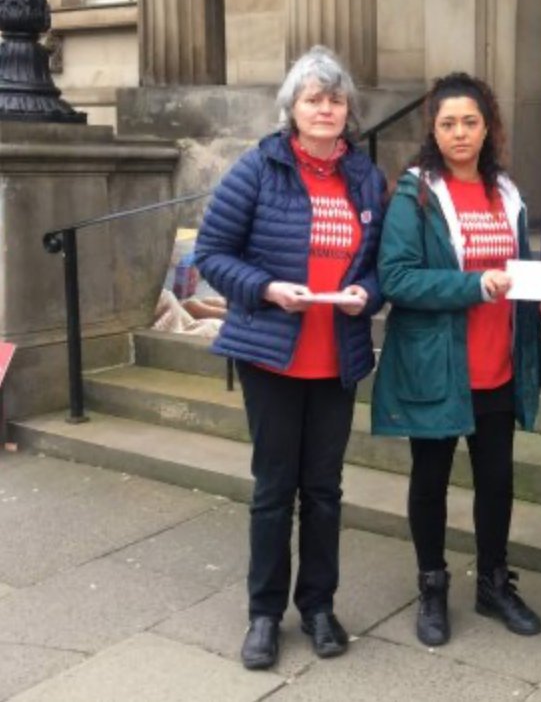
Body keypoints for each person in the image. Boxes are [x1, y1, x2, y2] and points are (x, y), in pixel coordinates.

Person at [194, 46, 386, 670]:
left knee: (325, 490)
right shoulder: (259, 169)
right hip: (273, 355)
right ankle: (264, 615)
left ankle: (320, 607)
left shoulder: (364, 177)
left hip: (338, 355)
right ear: (292, 108)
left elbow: (383, 265)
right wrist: (268, 289)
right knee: (275, 489)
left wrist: (368, 294)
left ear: (347, 109)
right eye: (313, 98)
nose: (325, 108)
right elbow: (212, 254)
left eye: (335, 99)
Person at [371, 72, 541, 648]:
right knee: (431, 480)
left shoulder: (509, 194)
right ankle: (432, 586)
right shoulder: (415, 193)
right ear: (434, 130)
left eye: (470, 121)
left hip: (500, 361)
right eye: (448, 123)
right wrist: (473, 286)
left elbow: (519, 275)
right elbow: (396, 279)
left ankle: (494, 583)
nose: (460, 133)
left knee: (497, 479)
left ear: (488, 125)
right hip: (439, 365)